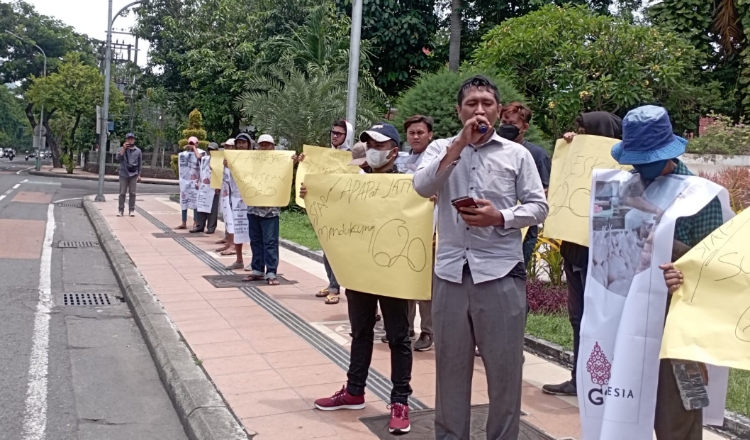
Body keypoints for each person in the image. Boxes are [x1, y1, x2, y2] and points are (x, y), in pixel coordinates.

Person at [413, 75, 548, 440]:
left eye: (486, 103)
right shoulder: (441, 148)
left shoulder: (516, 154)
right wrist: (458, 145)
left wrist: (500, 217)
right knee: (451, 369)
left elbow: (539, 207)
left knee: (504, 372)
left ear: (498, 110)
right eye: (471, 104)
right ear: (459, 111)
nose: (479, 110)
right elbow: (422, 186)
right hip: (451, 274)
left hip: (500, 275)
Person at [611, 105, 723, 440]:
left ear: (670, 154)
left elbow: (711, 267)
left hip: (679, 325)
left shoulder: (699, 197)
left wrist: (667, 247)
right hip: (626, 317)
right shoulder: (623, 188)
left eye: (649, 161)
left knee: (679, 413)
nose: (642, 170)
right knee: (625, 408)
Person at [301, 123, 413, 435]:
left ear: (394, 150)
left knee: (398, 337)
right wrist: (313, 195)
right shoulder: (353, 183)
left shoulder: (409, 184)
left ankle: (400, 401)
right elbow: (334, 213)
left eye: (379, 144)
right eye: (369, 144)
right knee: (360, 332)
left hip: (394, 273)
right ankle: (354, 391)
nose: (373, 150)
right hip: (361, 271)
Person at [542, 111, 622, 397]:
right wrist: (573, 149)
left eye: (583, 130)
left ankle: (603, 379)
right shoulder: (579, 160)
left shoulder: (623, 168)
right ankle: (579, 379)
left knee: (601, 319)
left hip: (602, 257)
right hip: (575, 253)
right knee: (578, 318)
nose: (577, 133)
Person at [382, 115, 435, 350]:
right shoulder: (400, 161)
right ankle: (406, 327)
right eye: (411, 133)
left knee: (424, 285)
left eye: (420, 132)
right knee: (405, 283)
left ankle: (428, 331)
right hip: (402, 231)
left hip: (428, 231)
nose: (415, 136)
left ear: (430, 135)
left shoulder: (436, 160)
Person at [498, 102, 551, 266]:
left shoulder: (536, 154)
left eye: (513, 124)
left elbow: (547, 190)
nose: (507, 127)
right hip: (492, 226)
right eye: (504, 123)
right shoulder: (490, 150)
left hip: (524, 230)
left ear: (525, 127)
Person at [242, 134, 283, 286]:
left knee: (270, 242)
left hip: (271, 210)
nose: (264, 148)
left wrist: (294, 161)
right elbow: (240, 171)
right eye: (262, 145)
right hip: (253, 208)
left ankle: (271, 272)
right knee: (255, 241)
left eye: (268, 145)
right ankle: (257, 270)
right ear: (257, 147)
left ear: (273, 147)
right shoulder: (251, 163)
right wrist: (229, 164)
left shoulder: (280, 163)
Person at [224, 133, 252, 270]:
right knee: (238, 229)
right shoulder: (231, 159)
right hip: (235, 199)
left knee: (253, 231)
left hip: (251, 199)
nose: (241, 145)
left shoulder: (254, 159)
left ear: (249, 144)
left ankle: (254, 261)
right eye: (238, 143)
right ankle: (239, 259)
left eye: (243, 142)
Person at [193, 142, 221, 234]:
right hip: (203, 186)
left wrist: (219, 186)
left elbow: (221, 174)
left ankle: (211, 227)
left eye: (213, 150)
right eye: (209, 149)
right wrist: (197, 180)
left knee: (212, 208)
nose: (211, 151)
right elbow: (201, 170)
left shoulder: (220, 160)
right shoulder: (205, 159)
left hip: (213, 187)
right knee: (201, 206)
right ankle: (200, 226)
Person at [176, 136, 203, 230]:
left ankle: (196, 221)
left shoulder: (201, 152)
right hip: (185, 181)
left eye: (193, 143)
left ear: (197, 143)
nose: (191, 145)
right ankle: (183, 222)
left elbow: (200, 159)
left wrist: (194, 149)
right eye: (190, 143)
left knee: (195, 201)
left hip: (195, 181)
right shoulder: (183, 154)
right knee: (184, 200)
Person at [116, 132, 142, 217]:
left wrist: (139, 174)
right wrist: (124, 148)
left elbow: (139, 164)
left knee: (132, 193)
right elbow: (118, 158)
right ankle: (120, 210)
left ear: (134, 140)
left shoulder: (138, 151)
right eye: (128, 139)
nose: (130, 141)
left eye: (132, 139)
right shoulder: (121, 149)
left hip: (133, 174)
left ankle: (131, 210)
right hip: (123, 173)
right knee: (122, 193)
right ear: (126, 140)